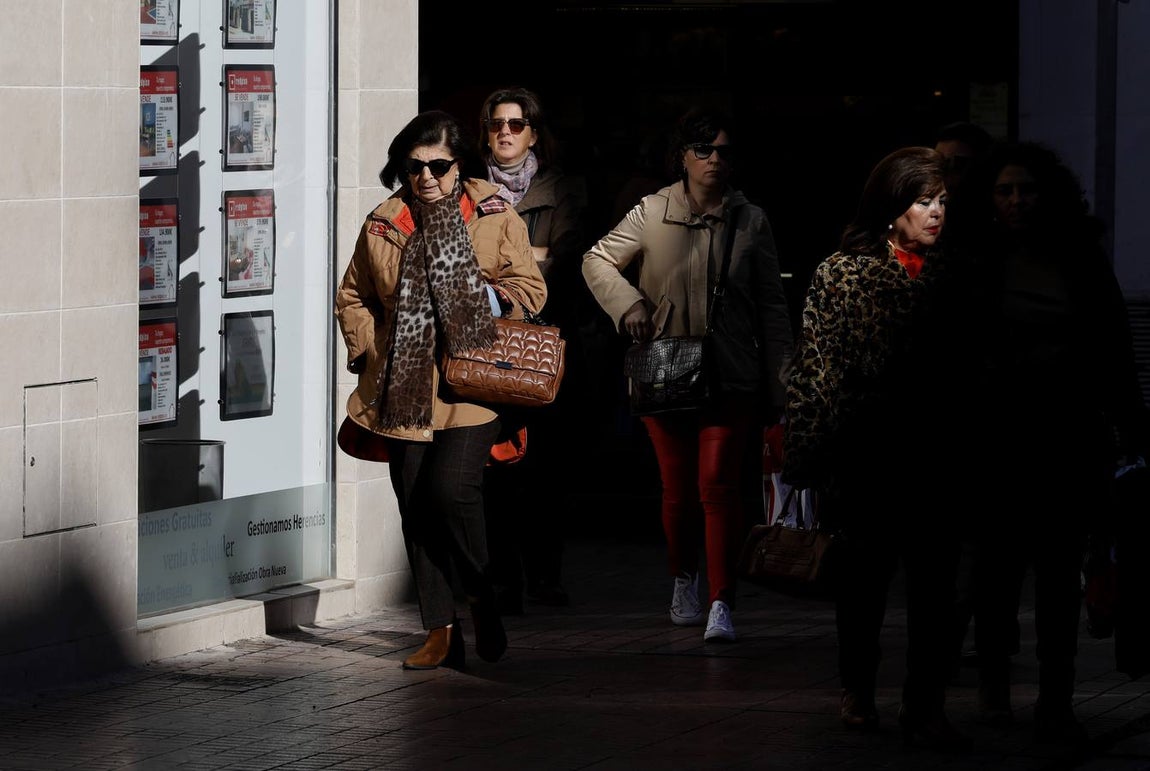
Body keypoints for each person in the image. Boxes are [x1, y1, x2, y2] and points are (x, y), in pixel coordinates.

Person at [335, 110, 547, 671]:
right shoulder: (384, 222)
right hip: (401, 387)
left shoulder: (496, 216)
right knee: (414, 506)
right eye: (415, 166)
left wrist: (487, 295)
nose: (426, 176)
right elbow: (352, 294)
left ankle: (479, 594)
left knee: (450, 493)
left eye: (438, 165)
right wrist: (366, 350)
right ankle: (439, 628)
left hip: (472, 379)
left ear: (460, 166)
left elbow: (532, 289)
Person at [782, 146, 973, 752]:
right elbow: (818, 368)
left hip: (940, 453)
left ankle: (925, 704)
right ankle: (858, 689)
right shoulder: (843, 272)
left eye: (942, 201)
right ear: (893, 207)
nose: (935, 212)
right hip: (866, 453)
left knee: (936, 591)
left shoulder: (960, 274)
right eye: (923, 201)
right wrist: (807, 453)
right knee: (862, 585)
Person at [959, 141, 1148, 742]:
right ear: (989, 199)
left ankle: (1055, 695)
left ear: (1049, 196)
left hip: (1066, 434)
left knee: (1059, 575)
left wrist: (1130, 428)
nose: (1017, 201)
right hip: (996, 437)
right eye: (1005, 190)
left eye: (1028, 189)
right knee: (996, 572)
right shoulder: (975, 260)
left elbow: (1114, 347)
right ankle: (994, 687)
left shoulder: (1078, 260)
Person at [582, 107, 793, 643]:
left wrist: (781, 381)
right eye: (704, 150)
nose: (715, 160)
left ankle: (723, 600)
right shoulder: (652, 211)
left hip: (731, 373)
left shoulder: (751, 220)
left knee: (719, 486)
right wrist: (628, 303)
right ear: (682, 155)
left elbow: (772, 306)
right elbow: (596, 260)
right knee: (676, 490)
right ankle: (684, 577)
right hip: (667, 370)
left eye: (724, 151)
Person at [477, 87, 589, 614]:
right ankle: (501, 580)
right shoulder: (469, 188)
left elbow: (568, 258)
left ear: (534, 133)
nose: (505, 132)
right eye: (497, 123)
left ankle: (545, 576)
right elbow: (458, 260)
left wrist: (503, 268)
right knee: (492, 467)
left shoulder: (562, 188)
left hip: (545, 344)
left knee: (545, 469)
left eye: (516, 124)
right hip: (486, 345)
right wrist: (527, 259)